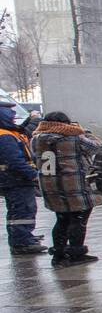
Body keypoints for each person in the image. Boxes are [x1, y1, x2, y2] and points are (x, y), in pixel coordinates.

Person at [31, 110, 102, 268]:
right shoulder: (74, 138)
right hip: (74, 185)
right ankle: (76, 253)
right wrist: (86, 132)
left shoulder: (36, 139)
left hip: (51, 186)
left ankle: (58, 254)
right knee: (79, 220)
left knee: (62, 220)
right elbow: (98, 148)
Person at [0, 99, 45, 255]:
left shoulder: (9, 132)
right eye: (10, 112)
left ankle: (24, 237)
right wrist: (33, 175)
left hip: (14, 180)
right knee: (22, 210)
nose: (13, 115)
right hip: (15, 180)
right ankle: (21, 241)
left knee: (21, 210)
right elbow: (15, 161)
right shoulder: (4, 136)